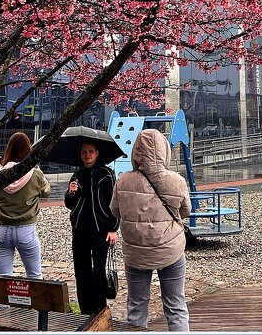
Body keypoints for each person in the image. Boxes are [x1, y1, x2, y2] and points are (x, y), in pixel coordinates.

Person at [110, 129, 191, 331]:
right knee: (176, 306)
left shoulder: (123, 180)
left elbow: (115, 210)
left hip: (136, 252)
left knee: (136, 306)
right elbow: (186, 211)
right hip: (170, 249)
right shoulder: (177, 180)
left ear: (136, 151)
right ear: (164, 150)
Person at [65, 140, 120, 315]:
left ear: (97, 153)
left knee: (99, 269)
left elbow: (113, 201)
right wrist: (71, 192)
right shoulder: (77, 175)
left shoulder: (106, 174)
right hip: (80, 229)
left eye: (90, 152)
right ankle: (85, 309)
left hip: (100, 229)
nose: (87, 155)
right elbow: (70, 204)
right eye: (84, 152)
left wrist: (113, 228)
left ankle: (99, 307)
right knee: (81, 270)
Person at [0, 132, 51, 278]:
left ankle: (3, 302)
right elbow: (46, 192)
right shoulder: (35, 174)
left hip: (2, 230)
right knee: (35, 276)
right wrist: (38, 170)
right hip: (26, 229)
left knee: (4, 279)